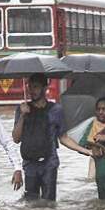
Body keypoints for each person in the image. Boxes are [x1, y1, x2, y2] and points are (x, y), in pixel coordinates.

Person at [12, 73, 91, 202]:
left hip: (49, 163)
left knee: (49, 202)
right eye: (30, 87)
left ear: (45, 88)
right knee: (31, 203)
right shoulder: (22, 109)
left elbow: (63, 137)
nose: (32, 91)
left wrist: (85, 151)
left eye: (36, 87)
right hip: (30, 164)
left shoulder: (56, 110)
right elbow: (16, 139)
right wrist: (22, 116)